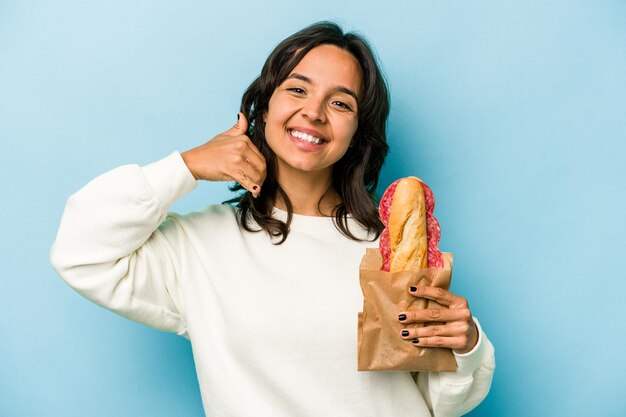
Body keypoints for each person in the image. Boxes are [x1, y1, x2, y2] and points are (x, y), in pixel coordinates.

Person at [51, 21, 495, 417]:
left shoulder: (391, 248)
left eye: (340, 104)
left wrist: (465, 346)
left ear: (357, 133)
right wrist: (185, 166)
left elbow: (441, 402)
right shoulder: (200, 246)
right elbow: (81, 252)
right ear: (264, 108)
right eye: (297, 90)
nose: (314, 112)